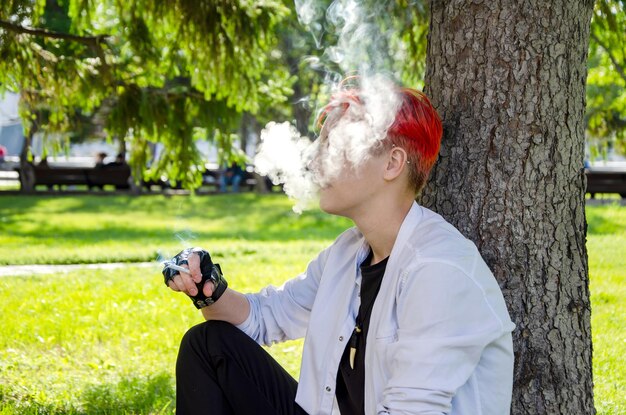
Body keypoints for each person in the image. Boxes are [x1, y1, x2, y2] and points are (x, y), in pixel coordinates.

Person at [164, 84, 515, 415]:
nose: (316, 159)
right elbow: (265, 317)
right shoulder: (349, 252)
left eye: (336, 145)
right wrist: (207, 288)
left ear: (392, 164)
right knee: (209, 345)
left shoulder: (439, 271)